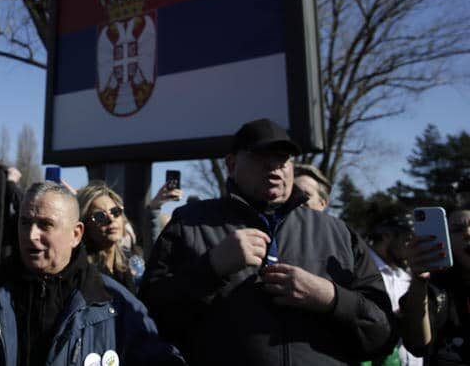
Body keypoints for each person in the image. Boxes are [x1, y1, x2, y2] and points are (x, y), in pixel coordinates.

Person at [140, 118, 396, 365]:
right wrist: (211, 267)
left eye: (283, 158)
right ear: (231, 164)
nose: (274, 166)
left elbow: (383, 334)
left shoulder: (338, 232)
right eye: (260, 156)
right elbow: (149, 319)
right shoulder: (190, 224)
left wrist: (330, 297)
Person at [0, 182, 184, 366]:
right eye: (25, 223)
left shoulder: (115, 304)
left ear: (76, 234)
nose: (31, 235)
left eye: (45, 225)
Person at [399, 208, 470, 364]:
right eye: (458, 230)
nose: (468, 234)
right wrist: (419, 281)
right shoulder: (434, 288)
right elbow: (417, 345)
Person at [367, 215, 423, 365]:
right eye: (407, 241)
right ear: (387, 236)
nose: (412, 248)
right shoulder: (362, 270)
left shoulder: (406, 276)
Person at [78, 181, 137, 293]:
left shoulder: (129, 260)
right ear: (84, 224)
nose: (111, 219)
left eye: (115, 212)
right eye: (99, 216)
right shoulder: (81, 269)